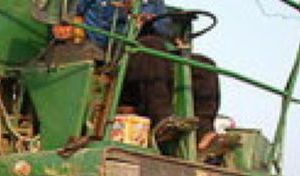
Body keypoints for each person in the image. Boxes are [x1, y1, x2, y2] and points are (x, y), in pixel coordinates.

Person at [55, 1, 221, 148]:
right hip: (110, 55)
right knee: (150, 48)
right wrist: (66, 25)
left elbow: (164, 25)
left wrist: (148, 21)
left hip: (146, 56)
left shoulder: (154, 2)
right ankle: (162, 121)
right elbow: (67, 12)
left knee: (204, 65)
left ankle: (204, 134)